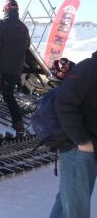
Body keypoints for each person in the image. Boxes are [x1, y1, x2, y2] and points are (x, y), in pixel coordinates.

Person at [50, 51, 97, 218]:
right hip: (78, 148)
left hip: (86, 146)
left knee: (67, 204)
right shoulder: (89, 68)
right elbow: (64, 103)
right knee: (76, 208)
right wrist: (83, 141)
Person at [0, 0, 30, 135]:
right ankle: (18, 123)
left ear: (5, 10)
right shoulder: (23, 27)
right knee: (8, 94)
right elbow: (27, 45)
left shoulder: (1, 24)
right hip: (16, 67)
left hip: (3, 65)